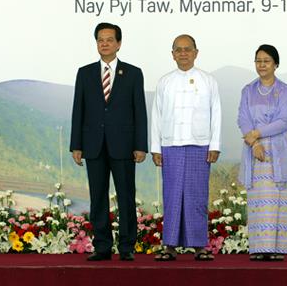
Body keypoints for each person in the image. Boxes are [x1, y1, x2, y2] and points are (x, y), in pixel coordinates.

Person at [70, 22, 148, 261]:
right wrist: (76, 145)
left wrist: (140, 145)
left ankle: (126, 247)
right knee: (98, 198)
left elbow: (139, 112)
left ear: (119, 44)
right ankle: (102, 246)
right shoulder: (85, 73)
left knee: (126, 197)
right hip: (93, 145)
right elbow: (78, 110)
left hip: (123, 145)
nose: (104, 44)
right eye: (100, 40)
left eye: (109, 40)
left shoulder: (133, 73)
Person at [150, 34, 221, 261]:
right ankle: (169, 245)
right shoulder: (165, 81)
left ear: (196, 53)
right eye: (178, 50)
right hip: (170, 145)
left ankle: (199, 245)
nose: (183, 53)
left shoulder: (208, 80)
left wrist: (215, 145)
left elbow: (216, 114)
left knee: (197, 196)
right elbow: (156, 115)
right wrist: (156, 147)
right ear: (172, 54)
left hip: (200, 145)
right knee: (172, 196)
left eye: (187, 49)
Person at [238, 44, 287, 261]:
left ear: (276, 64)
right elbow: (242, 118)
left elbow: (284, 120)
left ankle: (278, 248)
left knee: (278, 197)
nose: (262, 65)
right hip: (255, 150)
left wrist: (257, 132)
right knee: (259, 198)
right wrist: (254, 143)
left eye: (266, 61)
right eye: (258, 61)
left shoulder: (285, 90)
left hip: (279, 150)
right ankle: (259, 247)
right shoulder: (248, 90)